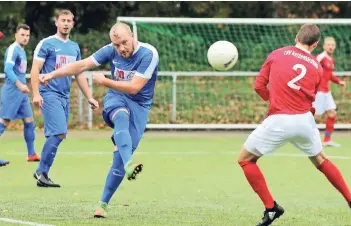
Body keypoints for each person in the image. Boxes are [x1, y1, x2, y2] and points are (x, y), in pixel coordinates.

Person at [39, 22, 159, 218]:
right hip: (117, 98)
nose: (121, 49)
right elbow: (82, 64)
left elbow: (134, 88)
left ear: (133, 36)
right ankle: (130, 163)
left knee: (117, 162)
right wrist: (52, 74)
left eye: (124, 43)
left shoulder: (149, 54)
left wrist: (104, 81)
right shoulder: (111, 50)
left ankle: (102, 204)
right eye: (116, 45)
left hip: (139, 105)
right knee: (121, 115)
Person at [237, 24, 351, 226]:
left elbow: (258, 86)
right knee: (321, 160)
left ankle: (271, 208)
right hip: (305, 121)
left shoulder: (277, 54)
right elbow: (311, 97)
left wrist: (273, 99)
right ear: (315, 44)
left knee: (245, 160)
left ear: (297, 37)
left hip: (279, 120)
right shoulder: (316, 65)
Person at [30, 9, 99, 187]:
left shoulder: (74, 47)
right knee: (59, 132)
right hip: (48, 94)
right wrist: (36, 93)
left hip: (64, 96)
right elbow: (35, 70)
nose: (66, 23)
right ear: (56, 22)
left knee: (58, 134)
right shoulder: (46, 44)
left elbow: (79, 74)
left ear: (73, 24)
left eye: (69, 20)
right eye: (63, 20)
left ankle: (43, 174)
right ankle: (41, 172)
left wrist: (90, 97)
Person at [0, 24, 40, 167]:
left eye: (27, 35)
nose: (25, 38)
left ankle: (31, 154)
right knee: (3, 123)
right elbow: (8, 69)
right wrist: (19, 84)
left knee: (29, 121)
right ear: (16, 35)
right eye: (22, 35)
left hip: (21, 94)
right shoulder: (13, 49)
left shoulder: (21, 51)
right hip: (12, 91)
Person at [313, 37, 346, 147]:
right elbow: (312, 68)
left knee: (332, 114)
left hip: (326, 92)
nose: (331, 47)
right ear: (324, 46)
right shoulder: (320, 58)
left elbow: (329, 75)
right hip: (319, 92)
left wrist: (339, 82)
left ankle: (327, 140)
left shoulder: (331, 60)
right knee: (315, 117)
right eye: (328, 44)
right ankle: (296, 135)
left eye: (332, 45)